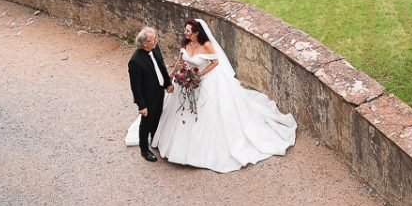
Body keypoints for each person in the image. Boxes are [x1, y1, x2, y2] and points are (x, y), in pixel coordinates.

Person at [127, 18, 296, 173]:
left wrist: (199, 75)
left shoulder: (207, 45)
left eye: (188, 31)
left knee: (207, 114)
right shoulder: (181, 45)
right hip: (185, 81)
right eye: (185, 30)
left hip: (204, 82)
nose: (185, 33)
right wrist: (173, 77)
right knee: (168, 113)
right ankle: (151, 144)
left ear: (197, 32)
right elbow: (180, 62)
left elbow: (215, 62)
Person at [126, 27, 175, 162]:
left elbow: (161, 66)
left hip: (159, 91)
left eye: (155, 38)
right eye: (152, 40)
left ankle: (155, 140)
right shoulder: (135, 61)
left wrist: (167, 83)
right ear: (144, 43)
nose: (155, 41)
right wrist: (141, 105)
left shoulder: (155, 47)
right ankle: (144, 150)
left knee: (158, 117)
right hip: (148, 97)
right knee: (146, 122)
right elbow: (135, 87)